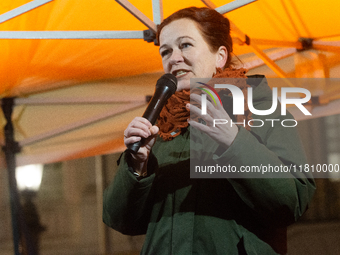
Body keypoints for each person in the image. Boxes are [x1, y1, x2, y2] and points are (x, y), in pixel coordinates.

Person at [103, 7, 315, 255]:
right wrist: (137, 167)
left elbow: (291, 202)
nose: (174, 58)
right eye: (165, 51)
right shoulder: (159, 125)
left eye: (185, 45)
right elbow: (119, 220)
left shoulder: (259, 109)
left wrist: (234, 141)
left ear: (220, 56)